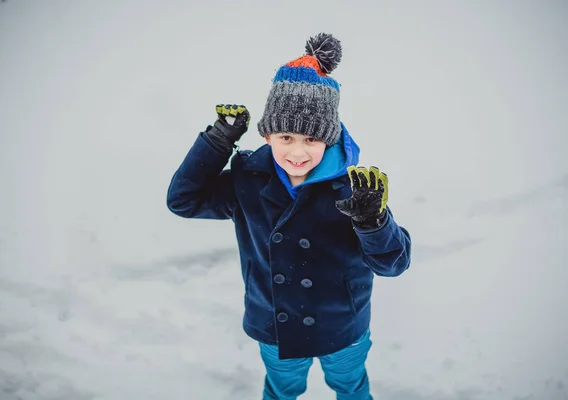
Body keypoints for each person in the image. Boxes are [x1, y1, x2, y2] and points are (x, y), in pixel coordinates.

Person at [167, 32, 411, 400]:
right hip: (274, 325)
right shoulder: (248, 181)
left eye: (311, 140)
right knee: (282, 391)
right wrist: (218, 142)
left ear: (328, 140)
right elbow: (184, 201)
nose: (297, 152)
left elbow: (393, 264)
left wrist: (373, 222)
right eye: (285, 137)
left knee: (351, 387)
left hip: (343, 327)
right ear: (267, 137)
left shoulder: (354, 190)